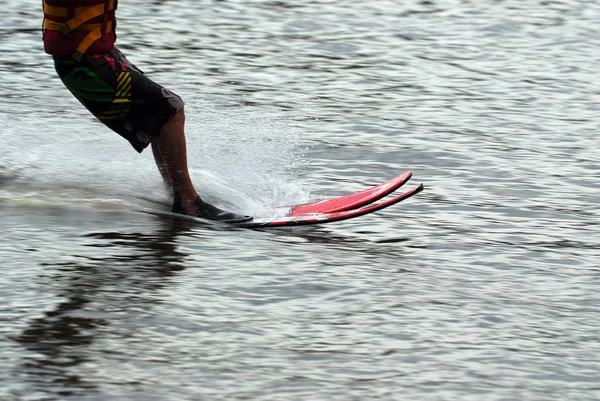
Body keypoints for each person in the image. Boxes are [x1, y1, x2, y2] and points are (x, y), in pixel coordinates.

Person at [42, 0, 252, 223]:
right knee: (171, 110)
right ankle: (187, 202)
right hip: (83, 64)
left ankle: (177, 195)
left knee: (160, 117)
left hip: (94, 55)